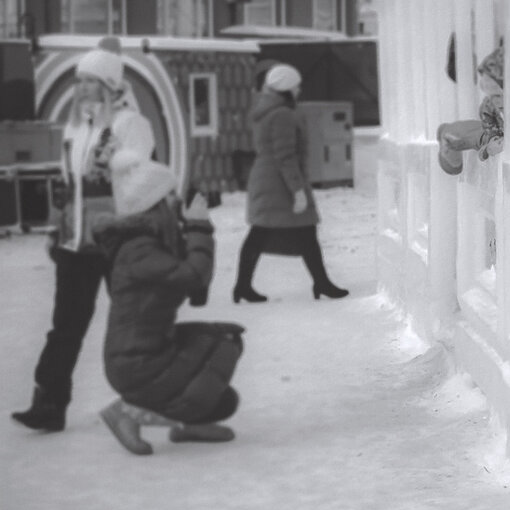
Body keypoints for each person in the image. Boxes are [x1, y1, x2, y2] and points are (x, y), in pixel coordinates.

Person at [11, 37, 155, 432]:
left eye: (91, 81)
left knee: (133, 324)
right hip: (76, 245)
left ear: (110, 85)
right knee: (65, 325)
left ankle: (153, 397)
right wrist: (57, 229)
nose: (82, 87)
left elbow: (143, 182)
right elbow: (64, 183)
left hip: (118, 241)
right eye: (79, 80)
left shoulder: (130, 125)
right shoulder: (75, 129)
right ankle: (49, 403)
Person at [93, 154, 244, 455]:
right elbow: (194, 277)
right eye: (171, 196)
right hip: (136, 364)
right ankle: (127, 413)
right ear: (156, 204)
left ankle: (190, 424)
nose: (177, 202)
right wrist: (199, 228)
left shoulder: (148, 242)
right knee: (225, 343)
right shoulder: (139, 251)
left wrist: (190, 233)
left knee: (222, 386)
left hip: (144, 354)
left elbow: (196, 293)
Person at [232, 63, 347, 303]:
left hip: (269, 179)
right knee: (270, 232)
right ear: (285, 89)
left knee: (289, 231)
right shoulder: (282, 114)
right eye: (296, 87)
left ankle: (245, 286)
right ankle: (320, 283)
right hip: (278, 182)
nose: (299, 90)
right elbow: (285, 155)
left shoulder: (268, 110)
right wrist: (297, 190)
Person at [435, 42, 504, 176]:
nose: (495, 101)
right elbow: (487, 135)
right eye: (490, 95)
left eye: (498, 95)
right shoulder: (489, 107)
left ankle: (450, 136)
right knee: (476, 135)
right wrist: (489, 146)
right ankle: (447, 135)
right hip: (493, 132)